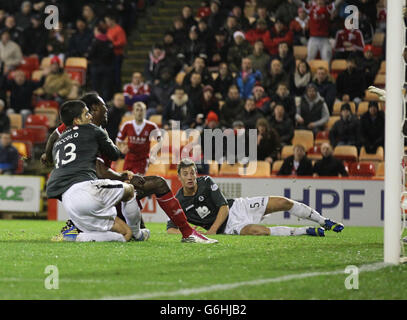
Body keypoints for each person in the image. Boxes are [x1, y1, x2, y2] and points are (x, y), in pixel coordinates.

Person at [45, 94, 217, 244]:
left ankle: (78, 227)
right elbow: (101, 171)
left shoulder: (77, 132)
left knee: (139, 219)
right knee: (157, 184)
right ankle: (187, 233)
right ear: (93, 110)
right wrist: (123, 177)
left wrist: (47, 155)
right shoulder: (89, 132)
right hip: (97, 192)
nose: (107, 111)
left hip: (78, 192)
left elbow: (56, 134)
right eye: (104, 107)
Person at [167, 158, 344, 236]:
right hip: (228, 228)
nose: (190, 177)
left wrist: (211, 230)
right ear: (179, 177)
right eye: (185, 174)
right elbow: (170, 229)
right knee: (258, 232)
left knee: (283, 202)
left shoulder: (206, 181)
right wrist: (190, 233)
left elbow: (223, 207)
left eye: (192, 173)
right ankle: (305, 231)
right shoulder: (178, 202)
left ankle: (324, 221)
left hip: (237, 207)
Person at [116, 102, 159, 175]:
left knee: (137, 181)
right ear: (133, 112)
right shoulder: (127, 125)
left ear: (145, 112)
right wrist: (121, 148)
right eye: (137, 110)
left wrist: (154, 153)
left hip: (142, 160)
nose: (139, 112)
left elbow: (160, 141)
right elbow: (118, 140)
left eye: (141, 110)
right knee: (125, 181)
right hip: (128, 159)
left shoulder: (151, 126)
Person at [87, 24, 115, 102]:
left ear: (98, 31)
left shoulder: (95, 42)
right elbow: (113, 55)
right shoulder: (109, 42)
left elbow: (90, 54)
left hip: (96, 68)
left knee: (96, 88)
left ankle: (96, 103)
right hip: (107, 68)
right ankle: (104, 103)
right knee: (105, 87)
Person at [105, 14, 127, 93]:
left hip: (117, 55)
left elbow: (122, 41)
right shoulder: (109, 30)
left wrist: (113, 44)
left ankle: (118, 91)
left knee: (117, 75)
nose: (107, 23)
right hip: (110, 56)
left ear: (112, 20)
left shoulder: (119, 29)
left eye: (107, 21)